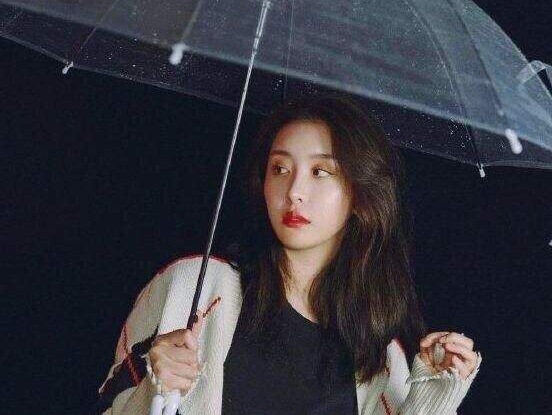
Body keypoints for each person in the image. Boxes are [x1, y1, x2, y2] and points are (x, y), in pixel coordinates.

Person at [91, 94, 482, 415]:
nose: (294, 191)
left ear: (360, 193)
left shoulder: (379, 354)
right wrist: (155, 385)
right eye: (279, 168)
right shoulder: (196, 288)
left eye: (320, 172)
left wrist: (433, 396)